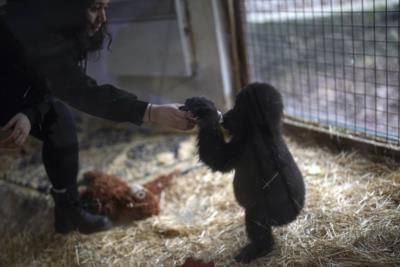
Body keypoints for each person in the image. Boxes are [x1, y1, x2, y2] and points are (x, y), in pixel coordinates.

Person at [1, 0, 194, 234]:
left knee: (60, 119)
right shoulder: (25, 28)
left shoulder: (59, 31)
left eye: (106, 7)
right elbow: (79, 91)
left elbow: (54, 84)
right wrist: (151, 111)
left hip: (18, 94)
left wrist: (30, 113)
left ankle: (67, 209)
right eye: (94, 8)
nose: (103, 17)